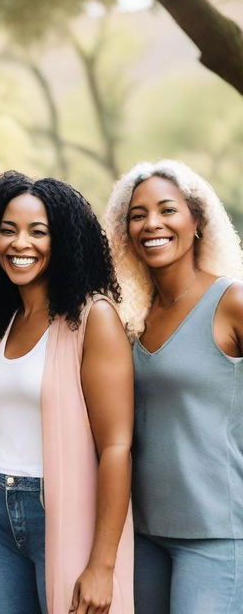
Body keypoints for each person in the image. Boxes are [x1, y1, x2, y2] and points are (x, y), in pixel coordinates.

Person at [0, 171, 134, 614]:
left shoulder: (92, 317)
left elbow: (116, 446)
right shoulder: (3, 317)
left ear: (64, 241)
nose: (19, 243)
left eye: (37, 232)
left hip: (61, 511)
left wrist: (102, 564)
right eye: (8, 231)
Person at [104, 160, 243, 614]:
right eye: (138, 215)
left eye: (167, 210)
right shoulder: (131, 319)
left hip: (218, 534)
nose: (152, 224)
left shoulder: (231, 302)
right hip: (144, 533)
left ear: (197, 221)